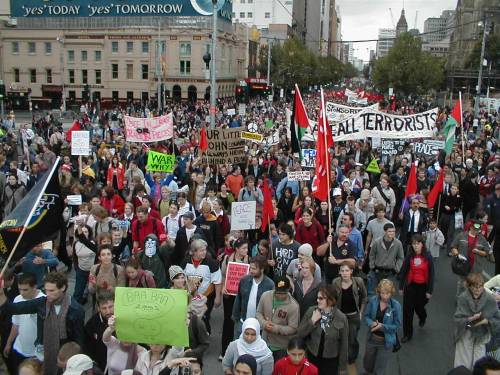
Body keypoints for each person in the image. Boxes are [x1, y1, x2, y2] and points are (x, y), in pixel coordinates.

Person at [0, 272, 85, 375]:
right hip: (41, 353)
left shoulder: (76, 310)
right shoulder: (42, 302)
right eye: (46, 290)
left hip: (61, 358)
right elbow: (13, 309)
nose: (47, 294)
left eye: (52, 290)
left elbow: (78, 339)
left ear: (63, 288)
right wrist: (1, 293)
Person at [297, 284, 348, 375]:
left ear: (331, 300)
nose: (317, 300)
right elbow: (300, 333)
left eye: (321, 298)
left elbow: (344, 344)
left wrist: (342, 368)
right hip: (312, 356)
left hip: (330, 360)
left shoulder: (341, 318)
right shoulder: (311, 311)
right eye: (317, 298)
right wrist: (312, 321)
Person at [454, 273, 500, 370]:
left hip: (482, 336)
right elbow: (458, 319)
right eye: (475, 287)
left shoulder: (490, 300)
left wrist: (486, 321)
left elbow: (497, 320)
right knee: (463, 365)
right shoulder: (463, 298)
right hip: (466, 334)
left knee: (479, 365)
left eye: (480, 287)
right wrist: (470, 319)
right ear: (469, 286)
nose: (478, 290)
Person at [3, 273, 45, 372]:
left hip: (36, 353)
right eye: (20, 289)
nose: (22, 293)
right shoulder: (17, 299)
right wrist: (9, 343)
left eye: (25, 289)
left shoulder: (44, 301)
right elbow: (16, 325)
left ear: (34, 286)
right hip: (19, 348)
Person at [398, 234, 435, 342]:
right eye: (413, 244)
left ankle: (422, 316)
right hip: (410, 286)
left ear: (422, 244)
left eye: (418, 244)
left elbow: (432, 274)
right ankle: (407, 334)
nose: (416, 246)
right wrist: (401, 287)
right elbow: (404, 271)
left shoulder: (428, 256)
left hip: (423, 287)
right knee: (407, 311)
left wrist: (429, 290)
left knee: (419, 308)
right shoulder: (410, 255)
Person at [182, 239, 222, 334]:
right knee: (190, 317)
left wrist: (218, 297)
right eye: (201, 250)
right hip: (190, 297)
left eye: (205, 250)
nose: (204, 252)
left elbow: (217, 281)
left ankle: (205, 334)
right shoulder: (186, 261)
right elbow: (181, 278)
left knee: (203, 317)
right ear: (193, 252)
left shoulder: (212, 263)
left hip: (207, 297)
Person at [363, 279, 402, 375]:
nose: (384, 296)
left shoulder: (396, 306)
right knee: (368, 364)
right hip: (371, 339)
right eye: (382, 293)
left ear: (391, 292)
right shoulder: (373, 301)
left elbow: (397, 326)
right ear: (379, 292)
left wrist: (381, 326)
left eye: (387, 293)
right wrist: (371, 323)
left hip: (386, 342)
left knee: (380, 369)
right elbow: (366, 316)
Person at [256, 277, 300, 361]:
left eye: (283, 293)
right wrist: (264, 323)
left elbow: (293, 328)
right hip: (263, 342)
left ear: (288, 290)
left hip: (280, 347)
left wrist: (275, 328)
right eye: (278, 292)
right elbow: (258, 313)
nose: (280, 295)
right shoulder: (265, 296)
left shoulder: (294, 306)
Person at [221, 239, 250, 359]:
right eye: (243, 248)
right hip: (229, 295)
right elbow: (223, 275)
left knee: (241, 322)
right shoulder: (228, 259)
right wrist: (223, 287)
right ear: (237, 249)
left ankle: (241, 351)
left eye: (247, 248)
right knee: (228, 322)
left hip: (242, 296)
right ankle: (224, 351)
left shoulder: (249, 260)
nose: (246, 251)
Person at [232, 255, 275, 339]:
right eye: (250, 268)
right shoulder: (244, 280)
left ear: (262, 269)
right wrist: (235, 318)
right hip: (242, 322)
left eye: (254, 268)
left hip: (260, 327)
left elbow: (271, 307)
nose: (251, 271)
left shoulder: (270, 285)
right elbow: (238, 299)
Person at [332, 263, 367, 364]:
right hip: (340, 316)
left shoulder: (358, 282)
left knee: (352, 339)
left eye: (347, 271)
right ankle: (339, 355)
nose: (344, 273)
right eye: (342, 271)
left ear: (351, 271)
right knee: (338, 337)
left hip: (353, 316)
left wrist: (361, 312)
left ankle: (352, 357)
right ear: (339, 272)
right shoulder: (336, 282)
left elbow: (364, 297)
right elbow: (332, 298)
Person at [450, 221, 493, 296]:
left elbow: (486, 252)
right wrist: (457, 254)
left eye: (478, 230)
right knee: (461, 284)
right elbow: (453, 246)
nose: (476, 231)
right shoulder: (461, 235)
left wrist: (478, 251)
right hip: (463, 266)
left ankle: (470, 300)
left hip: (476, 267)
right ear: (470, 227)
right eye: (474, 229)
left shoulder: (482, 239)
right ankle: (460, 300)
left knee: (474, 286)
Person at [367, 223, 404, 296]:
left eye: (393, 231)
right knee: (372, 293)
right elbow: (372, 255)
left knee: (386, 294)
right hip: (376, 271)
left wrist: (396, 269)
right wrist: (372, 266)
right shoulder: (377, 242)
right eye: (389, 231)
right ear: (384, 232)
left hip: (390, 272)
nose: (392, 233)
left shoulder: (398, 243)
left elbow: (400, 257)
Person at [84, 290, 114, 371]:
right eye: (104, 308)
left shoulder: (122, 320)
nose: (108, 311)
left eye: (110, 307)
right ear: (98, 308)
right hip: (100, 366)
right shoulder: (92, 323)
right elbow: (86, 346)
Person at [72, 224, 97, 305]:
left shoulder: (93, 243)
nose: (84, 233)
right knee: (77, 292)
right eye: (82, 232)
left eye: (86, 231)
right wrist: (76, 268)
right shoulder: (76, 243)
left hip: (92, 271)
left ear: (89, 233)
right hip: (81, 270)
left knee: (94, 291)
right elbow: (74, 257)